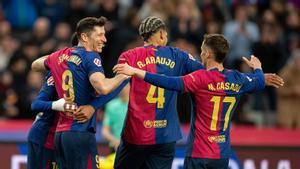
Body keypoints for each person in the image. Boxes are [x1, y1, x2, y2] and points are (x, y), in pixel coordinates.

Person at [113, 16, 283, 169]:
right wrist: (259, 70)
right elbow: (257, 81)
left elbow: (171, 83)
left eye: (202, 50)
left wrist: (137, 72)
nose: (200, 54)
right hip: (222, 156)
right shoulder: (237, 79)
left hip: (197, 153)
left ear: (208, 53)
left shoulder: (199, 78)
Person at [30, 16, 128, 169]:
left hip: (60, 135)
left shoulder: (58, 57)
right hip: (79, 131)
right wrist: (125, 75)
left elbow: (35, 65)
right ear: (84, 37)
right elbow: (103, 88)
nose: (104, 39)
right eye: (100, 35)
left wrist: (58, 58)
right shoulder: (91, 57)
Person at [28, 72, 128, 169]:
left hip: (68, 135)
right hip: (45, 137)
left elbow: (106, 91)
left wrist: (93, 107)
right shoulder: (56, 71)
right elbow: (36, 104)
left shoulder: (90, 72)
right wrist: (56, 105)